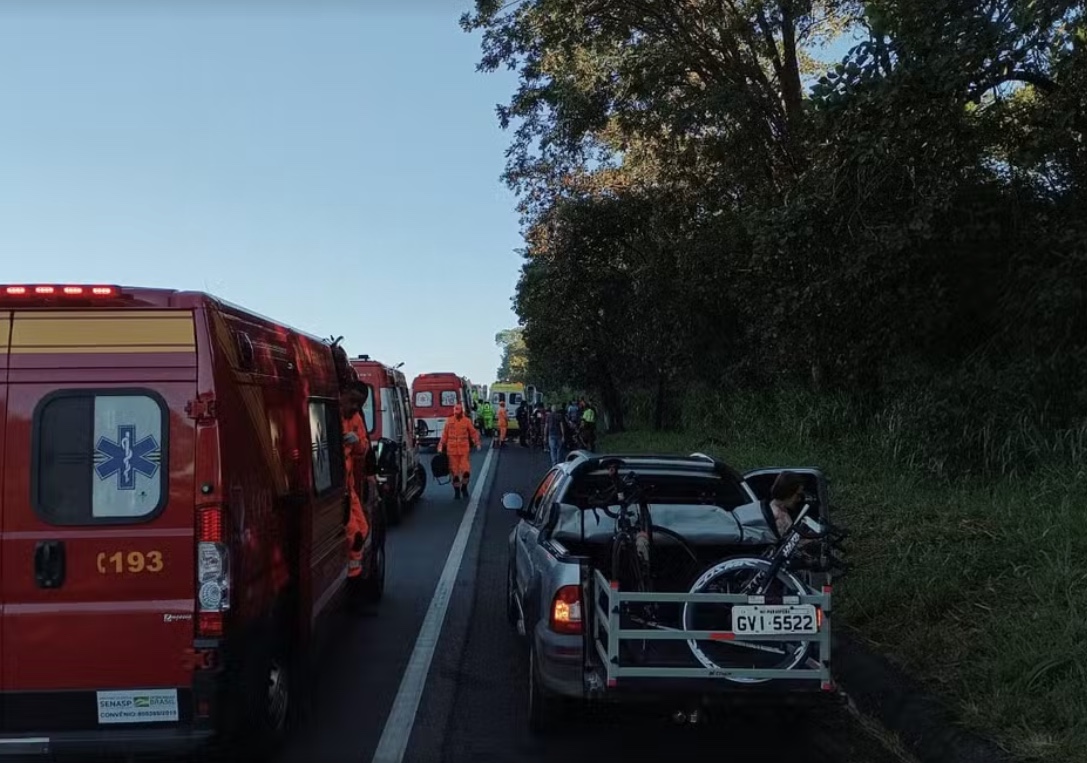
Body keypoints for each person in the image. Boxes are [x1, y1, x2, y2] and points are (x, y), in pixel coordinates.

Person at [341, 389, 372, 579]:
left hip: (348, 485)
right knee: (355, 535)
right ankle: (353, 575)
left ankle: (354, 569)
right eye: (352, 402)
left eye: (359, 405)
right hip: (337, 488)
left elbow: (363, 447)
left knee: (364, 528)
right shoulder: (330, 413)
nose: (355, 407)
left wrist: (356, 442)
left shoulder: (355, 418)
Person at [438, 402, 482, 498]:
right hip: (452, 452)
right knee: (455, 473)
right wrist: (440, 446)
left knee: (466, 471)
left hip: (463, 451)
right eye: (455, 412)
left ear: (461, 412)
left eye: (458, 412)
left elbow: (473, 433)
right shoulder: (449, 421)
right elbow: (444, 435)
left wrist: (477, 443)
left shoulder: (466, 421)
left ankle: (464, 487)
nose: (456, 414)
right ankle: (457, 492)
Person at [768, 471, 807, 537]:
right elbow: (789, 543)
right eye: (798, 495)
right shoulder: (778, 518)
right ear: (788, 492)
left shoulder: (780, 509)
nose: (799, 499)